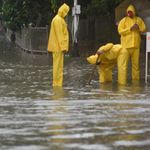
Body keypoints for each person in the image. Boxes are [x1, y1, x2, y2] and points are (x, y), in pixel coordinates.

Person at [117, 4, 146, 84]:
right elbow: (120, 31)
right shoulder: (123, 21)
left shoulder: (139, 20)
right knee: (123, 66)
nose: (129, 14)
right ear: (127, 12)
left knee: (136, 66)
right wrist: (130, 29)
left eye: (131, 12)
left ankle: (136, 83)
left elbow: (144, 29)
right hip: (125, 47)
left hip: (136, 46)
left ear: (134, 12)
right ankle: (122, 83)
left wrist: (138, 27)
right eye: (128, 12)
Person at [47, 3, 70, 86]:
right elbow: (59, 34)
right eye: (66, 12)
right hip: (58, 48)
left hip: (58, 47)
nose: (67, 14)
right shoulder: (58, 20)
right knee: (57, 67)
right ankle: (57, 84)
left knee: (59, 67)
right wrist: (63, 47)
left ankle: (58, 84)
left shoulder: (59, 19)